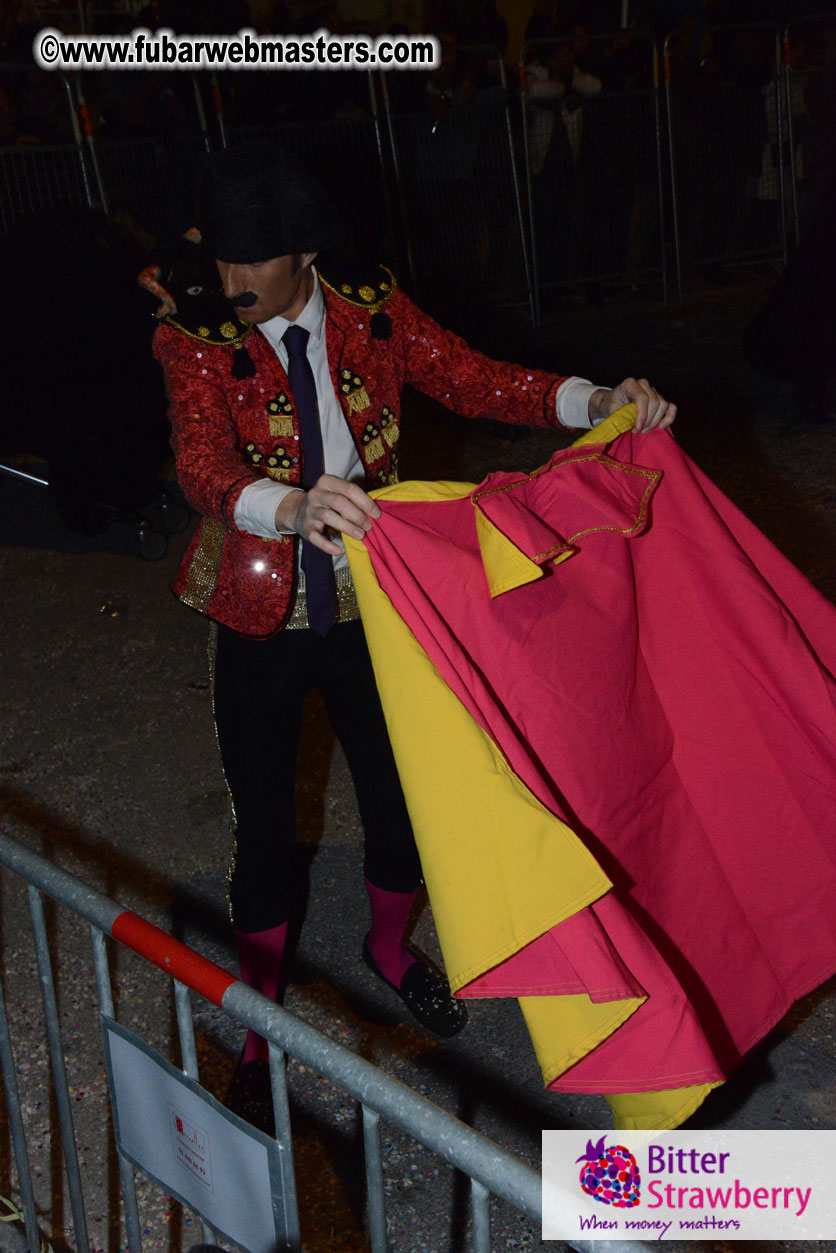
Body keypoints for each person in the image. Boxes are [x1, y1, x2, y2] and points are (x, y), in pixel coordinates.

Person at [152, 143, 674, 1121]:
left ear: (303, 253)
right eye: (220, 256)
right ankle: (259, 1022)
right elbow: (199, 462)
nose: (228, 281)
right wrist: (287, 505)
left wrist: (591, 401)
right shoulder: (195, 333)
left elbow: (475, 379)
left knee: (401, 806)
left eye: (248, 260)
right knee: (264, 825)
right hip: (261, 606)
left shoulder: (370, 309)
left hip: (380, 603)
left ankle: (389, 950)